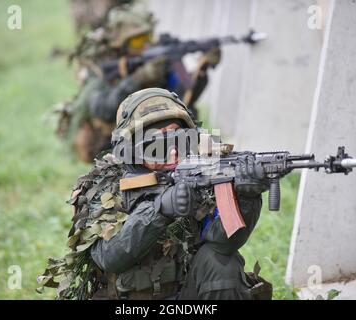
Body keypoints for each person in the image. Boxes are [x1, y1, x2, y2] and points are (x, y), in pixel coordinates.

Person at [38, 88, 272, 300]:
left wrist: (246, 198)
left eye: (179, 141)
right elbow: (109, 257)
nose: (171, 152)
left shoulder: (200, 173)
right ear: (131, 149)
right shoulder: (105, 185)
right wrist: (160, 209)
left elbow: (223, 243)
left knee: (221, 262)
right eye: (155, 146)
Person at [55, 3, 221, 163]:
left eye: (147, 38)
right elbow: (102, 109)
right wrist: (138, 79)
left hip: (155, 135)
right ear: (120, 43)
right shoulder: (101, 66)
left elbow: (184, 99)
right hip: (112, 142)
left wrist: (201, 71)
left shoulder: (158, 58)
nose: (144, 46)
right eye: (136, 42)